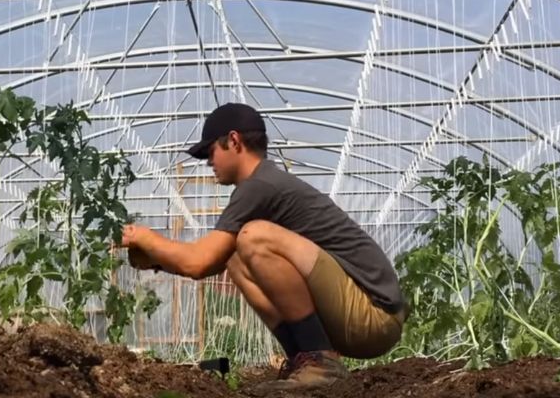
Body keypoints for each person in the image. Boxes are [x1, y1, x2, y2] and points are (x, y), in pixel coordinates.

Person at [120, 103, 406, 390]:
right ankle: (304, 358)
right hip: (357, 319)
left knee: (253, 237)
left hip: (375, 315)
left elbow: (199, 262)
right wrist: (156, 259)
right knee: (234, 253)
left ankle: (320, 363)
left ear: (234, 141)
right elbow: (212, 262)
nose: (209, 163)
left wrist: (144, 237)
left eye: (211, 153)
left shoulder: (260, 186)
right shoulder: (261, 185)